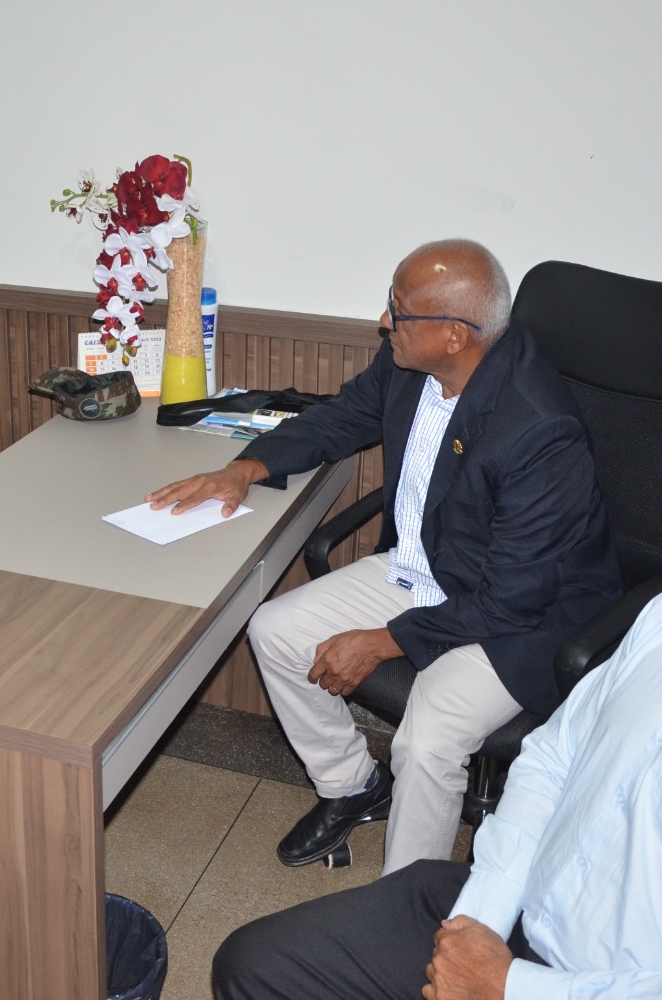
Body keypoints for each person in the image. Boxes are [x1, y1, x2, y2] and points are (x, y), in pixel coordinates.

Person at [213, 354, 662, 1000]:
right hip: (515, 914)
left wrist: (509, 987)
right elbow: (553, 757)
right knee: (250, 966)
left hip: (597, 985)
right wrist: (479, 924)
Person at [148, 239, 621, 875]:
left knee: (426, 744)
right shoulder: (408, 362)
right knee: (276, 629)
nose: (383, 321)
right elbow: (344, 417)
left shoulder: (538, 430)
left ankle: (402, 903)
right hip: (429, 566)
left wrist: (381, 642)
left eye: (397, 311)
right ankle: (351, 786)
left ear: (454, 335)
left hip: (519, 620)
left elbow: (513, 598)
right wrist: (246, 468)